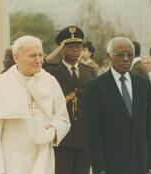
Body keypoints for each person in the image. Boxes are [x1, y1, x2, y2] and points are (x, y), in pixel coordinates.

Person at [0, 35, 71, 174]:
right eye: (32, 55)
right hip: (12, 164)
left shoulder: (50, 81)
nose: (39, 60)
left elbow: (63, 118)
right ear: (16, 57)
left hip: (43, 159)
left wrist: (53, 131)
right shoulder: (1, 85)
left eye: (40, 55)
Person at [84, 37, 151, 174]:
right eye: (121, 54)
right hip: (111, 165)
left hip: (140, 164)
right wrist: (99, 167)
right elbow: (93, 132)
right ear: (109, 56)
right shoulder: (95, 87)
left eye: (130, 55)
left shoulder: (143, 85)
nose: (125, 59)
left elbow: (149, 127)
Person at [44, 26, 95, 174]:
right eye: (70, 47)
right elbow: (36, 70)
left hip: (84, 136)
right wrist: (52, 55)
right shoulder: (52, 71)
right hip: (62, 137)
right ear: (62, 49)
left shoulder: (89, 71)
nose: (75, 50)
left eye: (78, 47)